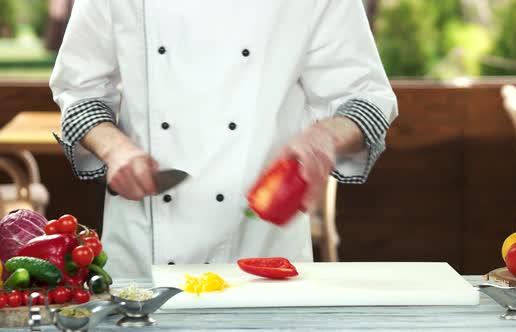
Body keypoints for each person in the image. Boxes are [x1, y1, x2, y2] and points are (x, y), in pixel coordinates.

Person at [50, 0, 398, 285]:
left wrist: (325, 137)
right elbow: (79, 92)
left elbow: (367, 99)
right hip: (143, 257)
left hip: (262, 254)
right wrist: (115, 149)